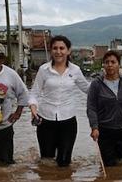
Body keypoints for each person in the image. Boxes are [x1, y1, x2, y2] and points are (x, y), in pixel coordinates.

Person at [29, 35, 90, 167]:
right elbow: (34, 93)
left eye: (62, 48)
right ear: (51, 51)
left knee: (64, 162)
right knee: (47, 162)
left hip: (68, 122)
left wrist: (106, 82)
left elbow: (88, 90)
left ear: (68, 51)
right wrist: (33, 109)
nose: (58, 51)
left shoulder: (75, 70)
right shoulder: (43, 70)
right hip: (45, 121)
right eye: (55, 48)